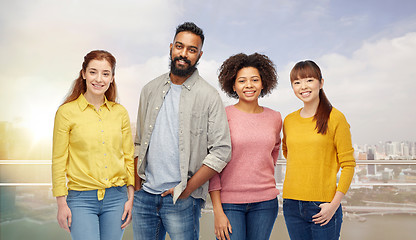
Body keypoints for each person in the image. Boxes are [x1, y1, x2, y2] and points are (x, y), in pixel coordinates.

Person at [132, 22, 232, 240]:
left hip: (183, 200)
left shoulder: (209, 95)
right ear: (171, 47)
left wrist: (186, 190)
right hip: (145, 197)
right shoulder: (149, 90)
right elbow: (139, 142)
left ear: (199, 55)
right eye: (179, 46)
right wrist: (137, 185)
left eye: (191, 50)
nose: (183, 54)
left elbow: (222, 151)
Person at [52, 50, 135, 240]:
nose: (99, 79)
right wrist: (61, 203)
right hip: (81, 200)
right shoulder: (66, 113)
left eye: (105, 74)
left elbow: (129, 157)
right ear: (83, 74)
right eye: (93, 72)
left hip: (117, 199)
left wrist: (130, 198)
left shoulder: (120, 113)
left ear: (112, 78)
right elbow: (58, 160)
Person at [208, 53, 282, 240]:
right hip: (229, 203)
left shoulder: (275, 117)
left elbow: (273, 152)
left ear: (263, 83)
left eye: (254, 80)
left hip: (265, 202)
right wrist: (217, 210)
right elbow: (212, 164)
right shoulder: (222, 116)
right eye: (242, 81)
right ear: (233, 86)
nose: (249, 85)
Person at [282, 60, 356, 240]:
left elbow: (348, 165)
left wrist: (333, 204)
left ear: (321, 83)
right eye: (297, 82)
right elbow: (288, 153)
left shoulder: (336, 118)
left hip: (323, 205)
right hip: (291, 204)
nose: (303, 87)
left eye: (309, 80)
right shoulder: (289, 120)